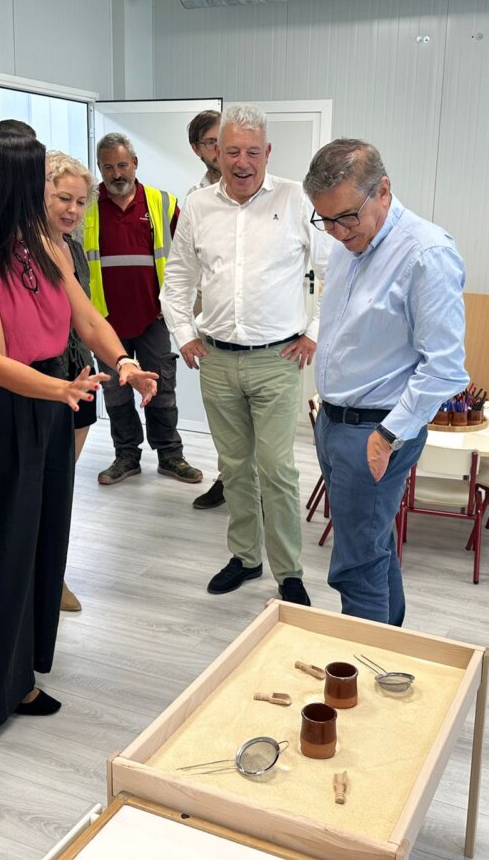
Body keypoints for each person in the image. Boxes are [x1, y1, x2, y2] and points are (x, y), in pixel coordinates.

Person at [0, 131, 156, 730]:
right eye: (40, 184)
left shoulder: (44, 247)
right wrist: (61, 390)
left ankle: (23, 674)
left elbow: (87, 317)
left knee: (40, 541)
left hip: (48, 403)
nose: (54, 199)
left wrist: (125, 364)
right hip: (3, 407)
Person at [162, 104, 329, 606]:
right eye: (230, 150)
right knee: (234, 466)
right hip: (215, 360)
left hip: (278, 360)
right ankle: (246, 558)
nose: (241, 161)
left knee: (277, 469)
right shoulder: (197, 207)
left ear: (267, 153)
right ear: (215, 151)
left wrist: (314, 332)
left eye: (252, 152)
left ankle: (289, 572)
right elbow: (177, 281)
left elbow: (333, 271)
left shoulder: (297, 200)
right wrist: (184, 334)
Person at [304, 138, 468, 627]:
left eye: (346, 217)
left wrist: (387, 436)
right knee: (371, 549)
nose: (336, 232)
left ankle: (362, 671)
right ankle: (391, 649)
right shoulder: (350, 242)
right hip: (334, 423)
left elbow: (446, 367)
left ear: (383, 191)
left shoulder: (425, 254)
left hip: (377, 430)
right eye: (325, 220)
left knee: (354, 566)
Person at [83, 132, 202, 487]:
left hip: (154, 317)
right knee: (117, 391)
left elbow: (188, 255)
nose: (116, 173)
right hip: (105, 322)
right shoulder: (85, 206)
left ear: (135, 164)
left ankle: (170, 456)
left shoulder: (162, 203)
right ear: (100, 169)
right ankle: (126, 457)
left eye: (122, 165)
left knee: (161, 386)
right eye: (108, 167)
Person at [47, 149, 99, 612]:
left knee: (62, 484)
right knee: (42, 490)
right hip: (43, 380)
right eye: (64, 198)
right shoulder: (18, 252)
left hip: (78, 373)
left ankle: (53, 577)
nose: (73, 210)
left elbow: (85, 316)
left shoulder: (75, 247)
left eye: (81, 202)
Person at [185, 108, 227, 511]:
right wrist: (187, 329)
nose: (220, 148)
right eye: (211, 142)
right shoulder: (195, 199)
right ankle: (227, 479)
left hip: (262, 329)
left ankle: (261, 489)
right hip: (211, 318)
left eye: (223, 138)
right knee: (223, 417)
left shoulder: (262, 188)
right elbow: (186, 266)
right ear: (197, 149)